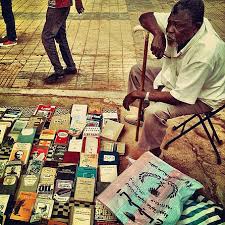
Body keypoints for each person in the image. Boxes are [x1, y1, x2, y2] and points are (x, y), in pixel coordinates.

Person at [123, 0, 225, 164]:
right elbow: (145, 17)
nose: (170, 29)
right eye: (169, 22)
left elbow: (180, 96)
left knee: (154, 112)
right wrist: (157, 33)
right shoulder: (181, 19)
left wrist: (142, 94)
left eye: (177, 26)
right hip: (178, 78)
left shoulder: (206, 52)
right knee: (137, 71)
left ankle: (154, 154)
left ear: (196, 27)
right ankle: (143, 119)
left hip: (202, 95)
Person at [42, 0, 84, 84]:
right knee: (60, 36)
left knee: (47, 37)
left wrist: (78, 1)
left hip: (58, 6)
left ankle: (59, 71)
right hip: (61, 5)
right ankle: (70, 66)